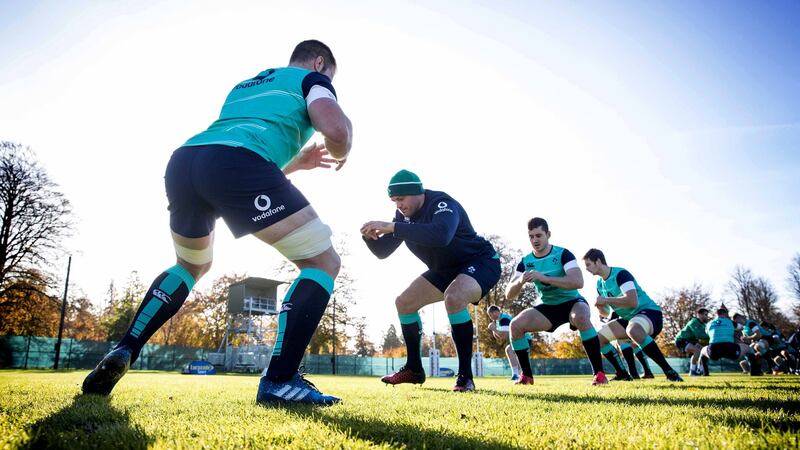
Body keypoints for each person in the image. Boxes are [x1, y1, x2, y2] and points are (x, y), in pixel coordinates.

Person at [82, 40, 354, 406]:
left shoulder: (249, 84)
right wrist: (342, 152)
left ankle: (125, 347)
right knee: (323, 263)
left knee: (192, 264)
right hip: (235, 163)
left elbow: (236, 155)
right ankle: (280, 380)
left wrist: (298, 163)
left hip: (186, 162)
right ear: (320, 62)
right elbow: (336, 131)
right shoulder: (311, 80)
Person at [361, 170, 501, 392]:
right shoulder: (403, 217)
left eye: (401, 199)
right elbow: (383, 251)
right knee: (404, 303)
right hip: (445, 269)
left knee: (454, 297)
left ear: (416, 193)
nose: (398, 205)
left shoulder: (442, 203)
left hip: (480, 261)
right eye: (394, 200)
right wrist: (368, 237)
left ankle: (465, 376)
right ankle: (414, 370)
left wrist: (392, 226)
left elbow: (441, 235)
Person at [506, 218, 608, 386]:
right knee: (515, 326)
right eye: (531, 237)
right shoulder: (525, 261)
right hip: (549, 308)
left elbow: (578, 282)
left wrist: (545, 278)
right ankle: (526, 377)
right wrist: (520, 281)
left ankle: (599, 374)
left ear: (548, 234)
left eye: (539, 235)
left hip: (572, 302)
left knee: (581, 317)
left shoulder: (563, 254)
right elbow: (509, 294)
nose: (535, 240)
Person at [583, 248, 684, 382]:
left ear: (598, 261)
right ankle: (622, 373)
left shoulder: (621, 274)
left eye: (588, 264)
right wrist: (601, 308)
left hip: (649, 313)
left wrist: (606, 300)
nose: (586, 269)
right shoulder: (599, 284)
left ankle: (669, 372)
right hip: (629, 319)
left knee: (633, 329)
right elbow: (606, 312)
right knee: (598, 339)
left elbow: (632, 301)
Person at [700, 308, 762, 376]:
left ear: (716, 314)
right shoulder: (731, 322)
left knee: (702, 350)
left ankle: (705, 373)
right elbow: (741, 327)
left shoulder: (709, 323)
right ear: (726, 314)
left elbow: (707, 332)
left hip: (713, 349)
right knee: (749, 349)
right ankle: (755, 372)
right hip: (729, 348)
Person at [486, 305, 529, 380]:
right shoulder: (500, 320)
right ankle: (517, 375)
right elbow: (499, 337)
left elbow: (503, 335)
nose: (490, 317)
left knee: (509, 350)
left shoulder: (504, 319)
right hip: (519, 339)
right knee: (509, 350)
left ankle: (517, 375)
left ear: (495, 312)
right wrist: (494, 329)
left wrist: (494, 329)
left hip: (524, 339)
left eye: (490, 315)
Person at [675, 308, 712, 376]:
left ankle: (700, 370)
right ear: (699, 315)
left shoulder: (703, 324)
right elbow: (699, 335)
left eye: (707, 315)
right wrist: (712, 335)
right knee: (697, 351)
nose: (707, 316)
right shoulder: (693, 322)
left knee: (703, 352)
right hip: (681, 340)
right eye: (705, 314)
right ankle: (692, 372)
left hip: (690, 341)